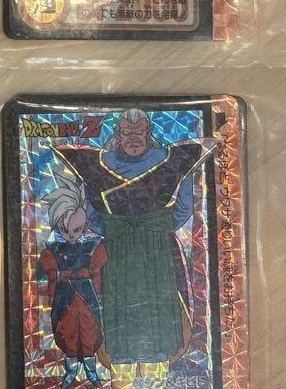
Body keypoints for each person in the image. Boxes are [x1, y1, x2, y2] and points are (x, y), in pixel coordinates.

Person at [54, 110, 210, 388]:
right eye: (127, 132)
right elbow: (91, 213)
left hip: (156, 249)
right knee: (118, 316)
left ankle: (155, 379)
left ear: (149, 132)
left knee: (158, 319)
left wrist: (155, 229)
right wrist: (116, 230)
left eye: (140, 132)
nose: (134, 138)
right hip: (117, 250)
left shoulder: (173, 160)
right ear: (118, 134)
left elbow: (184, 208)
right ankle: (122, 378)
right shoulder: (97, 164)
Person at [41, 174, 108, 387]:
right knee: (67, 329)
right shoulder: (54, 248)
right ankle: (71, 371)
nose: (71, 235)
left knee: (89, 329)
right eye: (64, 229)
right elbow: (52, 276)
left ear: (85, 224)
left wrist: (99, 292)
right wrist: (52, 294)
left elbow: (97, 273)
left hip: (87, 294)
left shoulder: (93, 245)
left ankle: (90, 370)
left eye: (76, 229)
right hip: (65, 295)